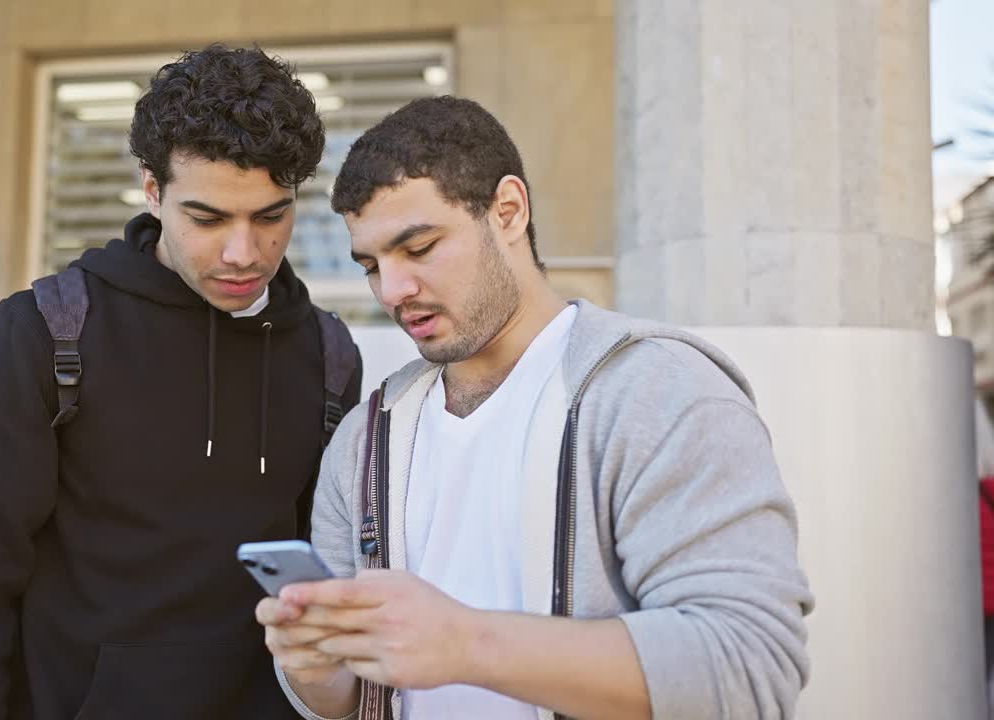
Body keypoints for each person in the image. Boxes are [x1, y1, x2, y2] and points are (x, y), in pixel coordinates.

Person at [258, 96, 813, 720]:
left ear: (508, 210)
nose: (392, 290)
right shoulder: (366, 438)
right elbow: (349, 700)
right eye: (371, 265)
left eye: (418, 249)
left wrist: (467, 643)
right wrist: (313, 667)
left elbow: (747, 666)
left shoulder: (658, 390)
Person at [0, 46, 361, 719]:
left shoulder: (328, 358)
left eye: (270, 216)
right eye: (207, 219)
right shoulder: (48, 333)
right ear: (152, 189)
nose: (243, 252)